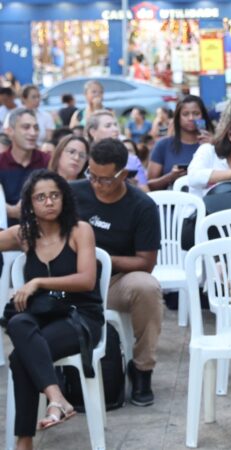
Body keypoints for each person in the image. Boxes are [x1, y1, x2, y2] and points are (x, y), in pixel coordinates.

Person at [1, 170, 102, 448]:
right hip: (43, 318)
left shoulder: (80, 230)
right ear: (30, 204)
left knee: (21, 357)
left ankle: (24, 440)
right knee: (18, 322)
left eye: (54, 195)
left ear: (64, 198)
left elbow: (86, 280)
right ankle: (57, 398)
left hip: (79, 317)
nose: (48, 202)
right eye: (41, 197)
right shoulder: (25, 235)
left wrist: (37, 281)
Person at [72, 138, 162, 406]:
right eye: (92, 176)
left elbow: (146, 263)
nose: (96, 184)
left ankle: (142, 369)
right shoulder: (73, 193)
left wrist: (100, 258)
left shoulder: (142, 206)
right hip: (74, 280)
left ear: (123, 174)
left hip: (115, 282)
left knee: (147, 287)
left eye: (105, 179)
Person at [146, 95, 213, 191]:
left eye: (196, 113)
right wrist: (170, 177)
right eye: (185, 114)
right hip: (173, 202)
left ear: (203, 116)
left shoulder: (213, 144)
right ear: (178, 117)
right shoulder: (163, 145)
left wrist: (215, 145)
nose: (191, 118)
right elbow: (150, 184)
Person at [1, 109, 51, 224]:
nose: (33, 133)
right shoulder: (1, 162)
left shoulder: (47, 161)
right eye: (26, 127)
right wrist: (8, 210)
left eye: (36, 128)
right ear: (10, 131)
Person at [85, 110, 148, 191]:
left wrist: (133, 187)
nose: (115, 129)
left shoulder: (132, 160)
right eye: (108, 126)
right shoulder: (83, 158)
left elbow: (146, 192)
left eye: (115, 125)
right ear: (93, 132)